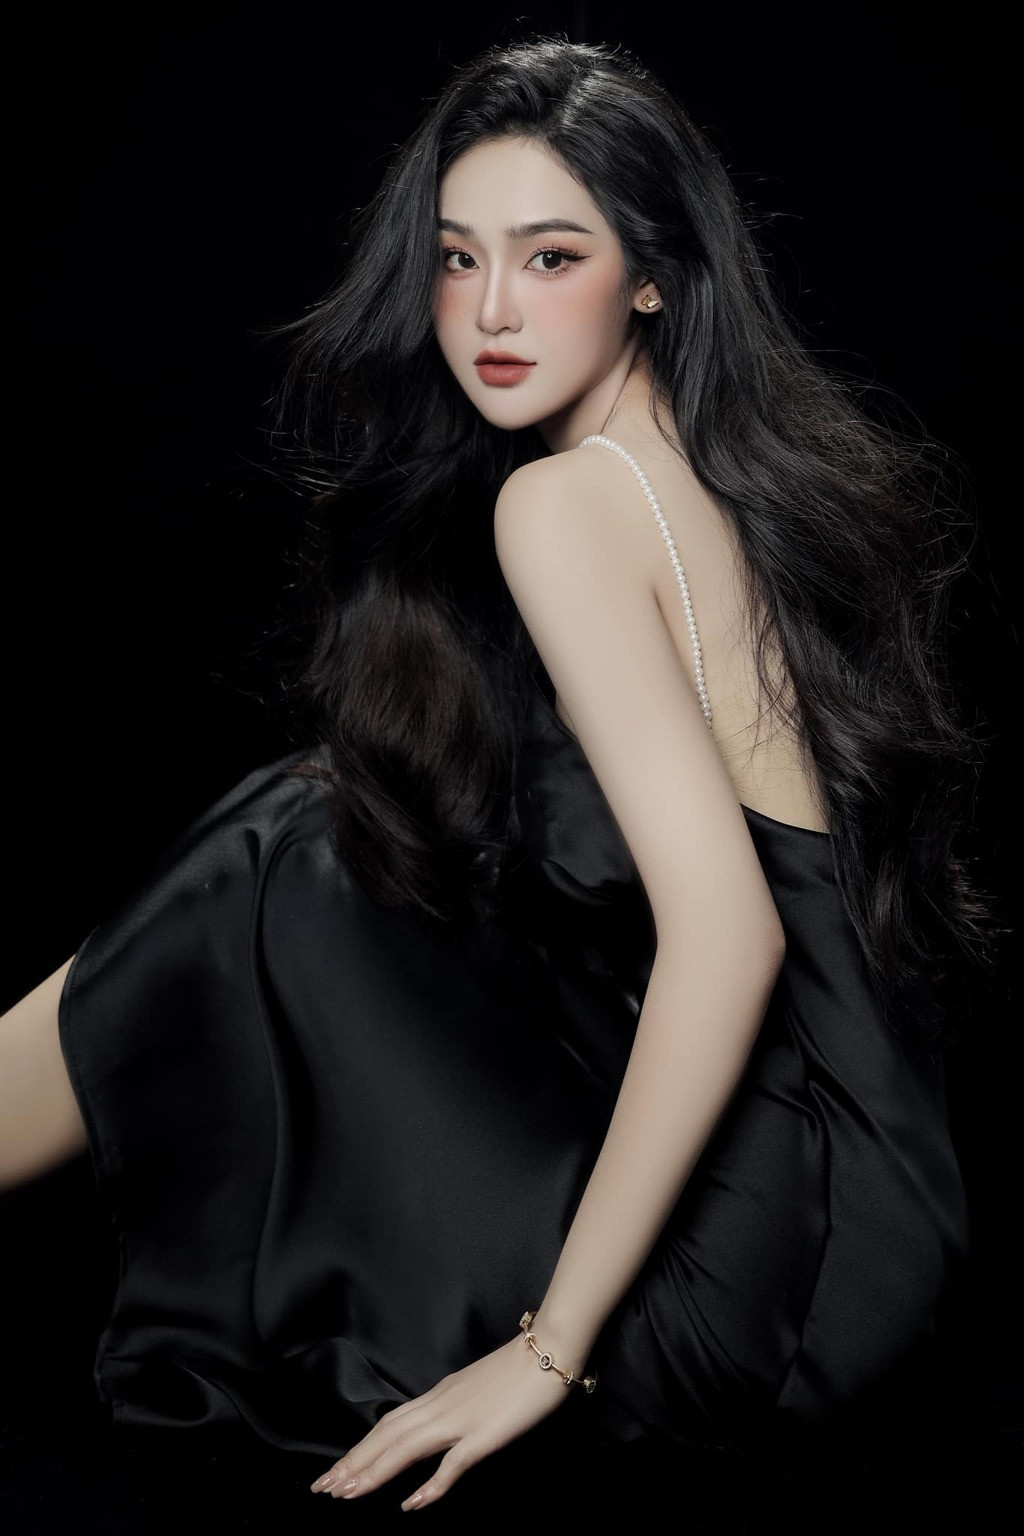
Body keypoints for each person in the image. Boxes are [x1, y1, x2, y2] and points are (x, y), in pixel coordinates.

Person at [0, 34, 990, 1519]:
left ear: (653, 274)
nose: (492, 312)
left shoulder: (571, 503)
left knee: (276, 848)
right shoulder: (720, 471)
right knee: (331, 826)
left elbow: (732, 937)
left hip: (761, 1288)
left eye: (551, 257)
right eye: (459, 260)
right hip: (880, 1227)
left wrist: (550, 1349)